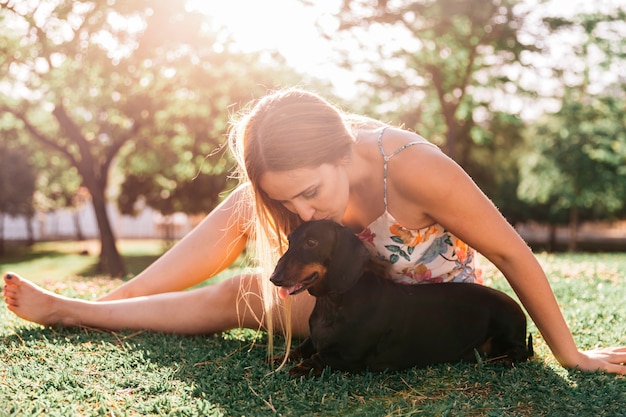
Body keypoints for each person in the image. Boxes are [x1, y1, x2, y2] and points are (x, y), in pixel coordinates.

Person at [3, 88, 625, 374]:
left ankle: (87, 312)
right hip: (349, 307)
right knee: (236, 288)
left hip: (425, 310)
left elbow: (513, 255)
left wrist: (573, 355)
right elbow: (215, 238)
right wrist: (112, 300)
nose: (302, 213)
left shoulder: (414, 167)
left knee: (240, 291)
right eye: (286, 202)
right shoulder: (293, 174)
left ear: (342, 152)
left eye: (310, 194)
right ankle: (91, 310)